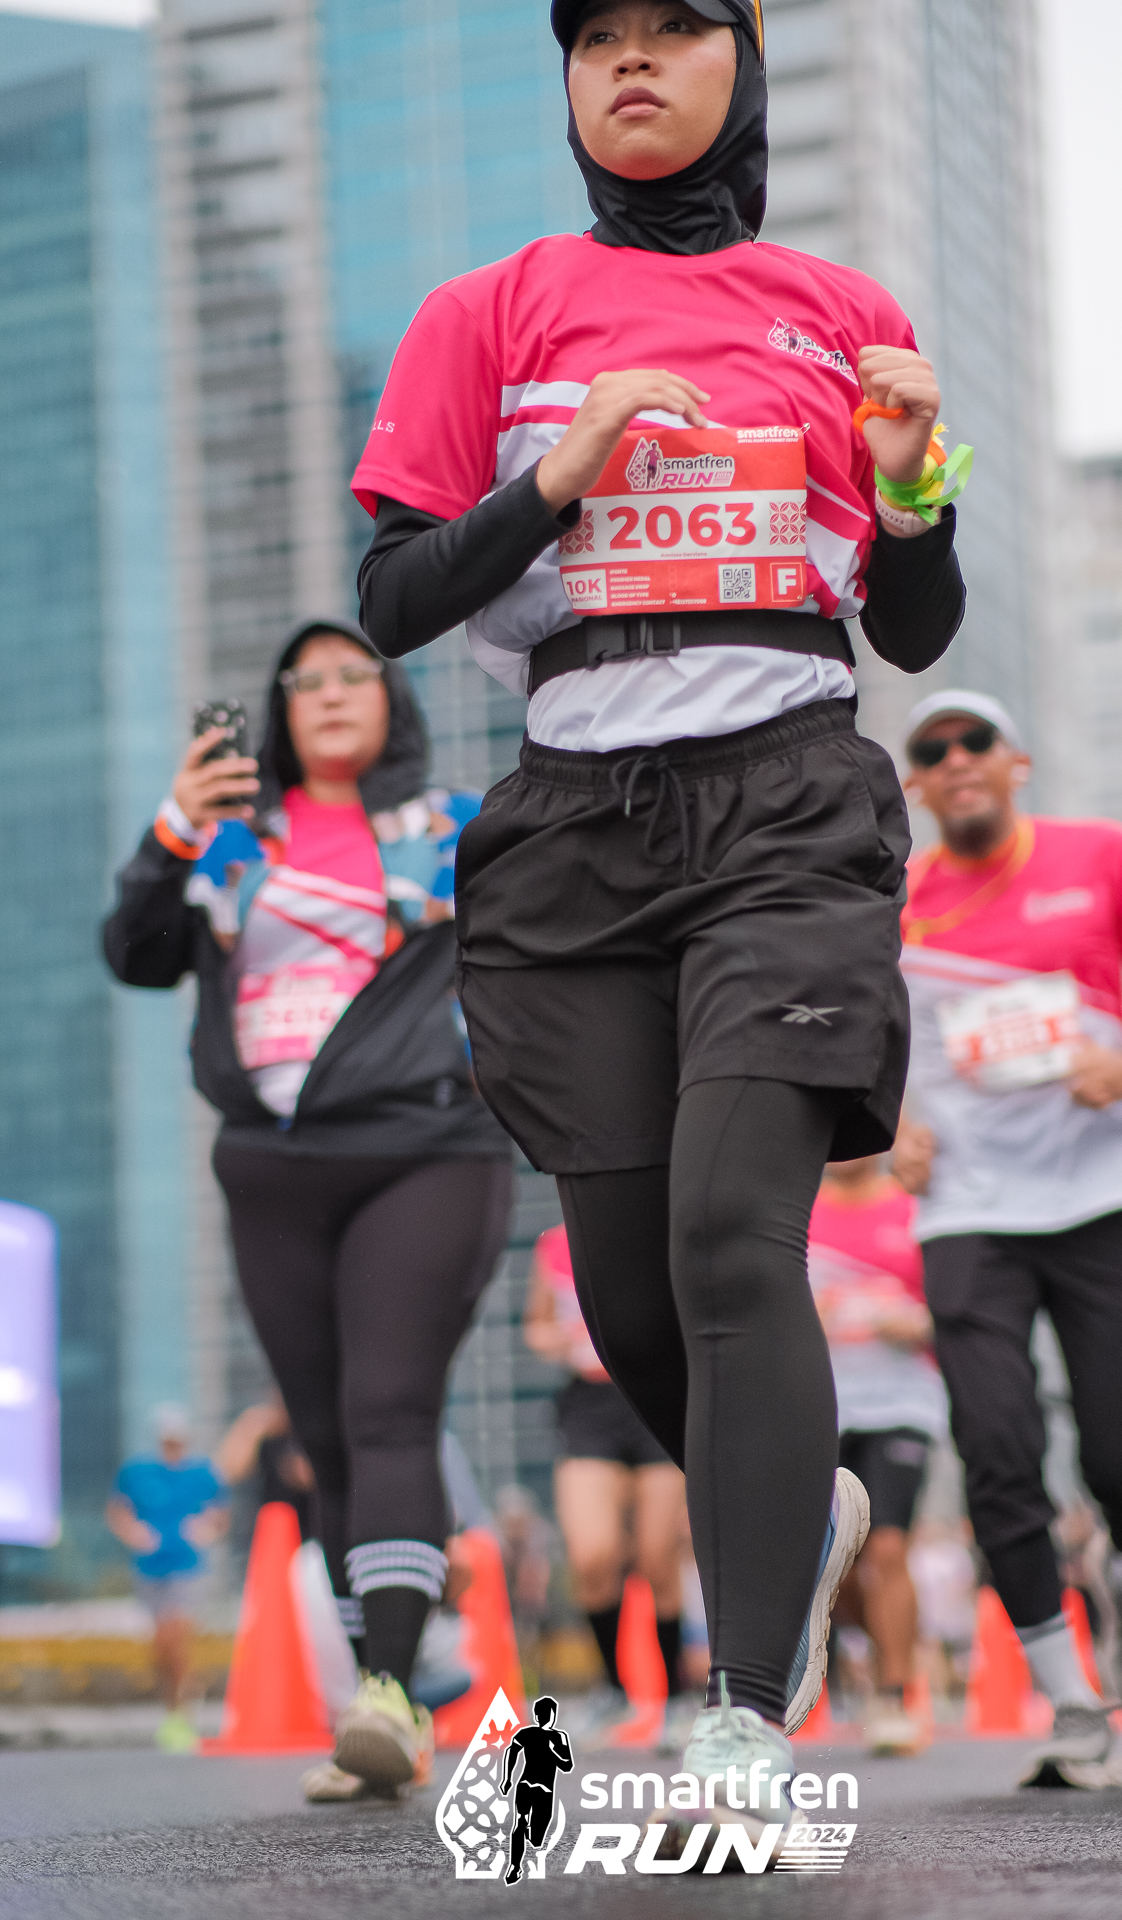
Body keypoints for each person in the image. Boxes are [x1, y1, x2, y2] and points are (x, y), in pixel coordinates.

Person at [351, 0, 966, 1849]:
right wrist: (562, 469)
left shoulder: (842, 312)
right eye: (596, 33)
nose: (631, 59)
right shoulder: (489, 311)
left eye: (677, 27)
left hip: (785, 800)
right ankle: (805, 1502)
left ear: (742, 66)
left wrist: (916, 482)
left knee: (727, 1237)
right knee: (629, 1295)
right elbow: (391, 600)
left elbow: (912, 623)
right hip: (570, 820)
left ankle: (745, 1708)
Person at [102, 618, 514, 1803]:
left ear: (392, 699)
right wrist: (173, 828)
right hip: (269, 1163)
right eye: (305, 681)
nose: (329, 694)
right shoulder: (233, 840)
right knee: (321, 1434)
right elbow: (136, 954)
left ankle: (387, 1691)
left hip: (420, 1147)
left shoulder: (454, 824)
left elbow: (548, 946)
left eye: (352, 676)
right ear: (278, 713)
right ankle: (383, 1703)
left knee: (389, 1408)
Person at [892, 688, 1122, 1788]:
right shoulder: (893, 899)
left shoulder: (1096, 853)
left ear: (1013, 761)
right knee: (996, 1449)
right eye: (932, 749)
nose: (956, 759)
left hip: (1110, 1191)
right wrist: (893, 1130)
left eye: (975, 740)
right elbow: (871, 1053)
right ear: (914, 783)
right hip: (970, 1210)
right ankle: (1069, 1699)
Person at [524, 1222, 691, 1744]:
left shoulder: (660, 1226)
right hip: (591, 1406)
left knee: (657, 1556)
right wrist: (560, 1340)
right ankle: (613, 1691)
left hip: (656, 1396)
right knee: (592, 1556)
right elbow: (537, 1326)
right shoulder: (554, 1243)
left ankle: (676, 1698)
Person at [809, 1155, 948, 1755]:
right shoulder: (795, 1209)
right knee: (831, 1562)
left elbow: (959, 1304)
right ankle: (892, 1647)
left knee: (888, 1546)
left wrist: (916, 1323)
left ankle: (894, 1695)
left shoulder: (912, 1207)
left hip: (903, 1401)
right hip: (818, 1407)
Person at [105, 1404, 228, 1752]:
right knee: (160, 1644)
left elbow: (220, 1514)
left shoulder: (202, 1472)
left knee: (175, 1635)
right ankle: (173, 1706)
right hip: (150, 1567)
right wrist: (134, 1534)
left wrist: (206, 1530)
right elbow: (118, 1511)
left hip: (187, 1567)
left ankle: (183, 1710)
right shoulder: (137, 1472)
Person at [215, 1393, 317, 1544]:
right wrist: (249, 1428)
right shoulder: (266, 1428)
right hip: (275, 1525)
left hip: (312, 1527)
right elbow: (228, 1470)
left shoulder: (315, 1427)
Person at [500, 1696, 574, 1886]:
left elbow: (567, 1765)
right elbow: (511, 1752)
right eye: (542, 1713)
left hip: (543, 1789)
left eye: (547, 1713)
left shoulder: (559, 1737)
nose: (545, 1716)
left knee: (536, 1839)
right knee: (520, 1821)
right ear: (537, 1715)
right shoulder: (527, 1733)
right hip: (528, 1785)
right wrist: (507, 1778)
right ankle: (515, 1867)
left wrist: (551, 1752)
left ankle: (528, 1834)